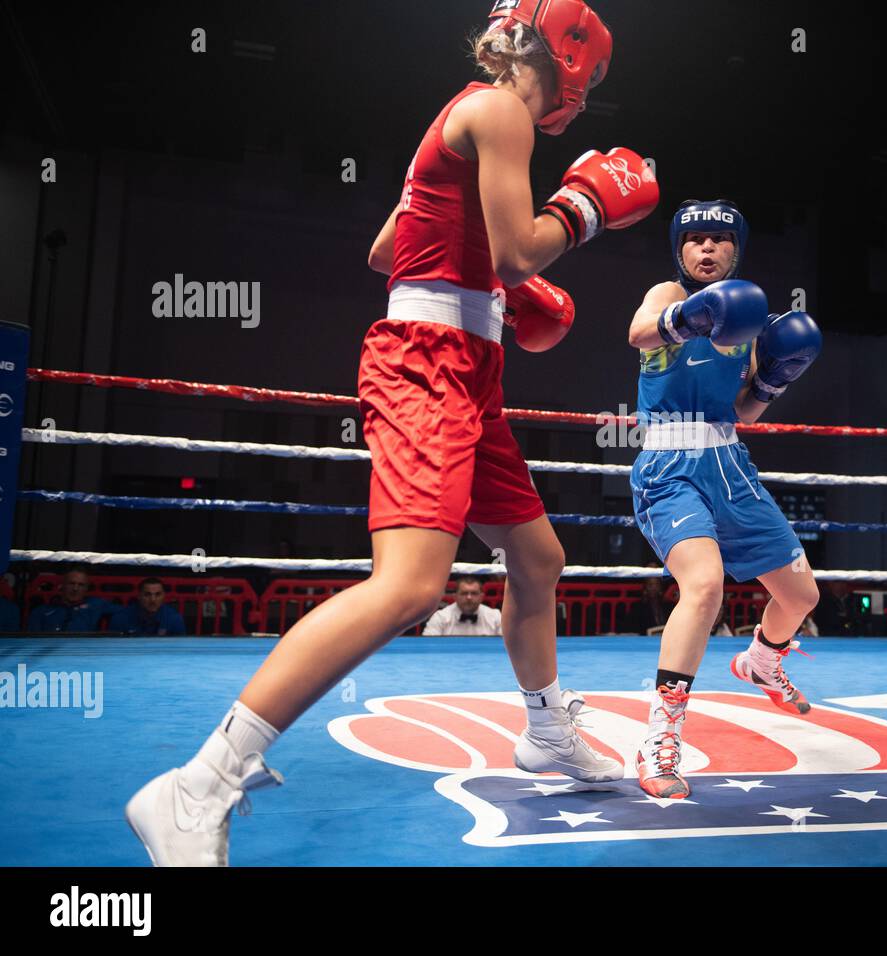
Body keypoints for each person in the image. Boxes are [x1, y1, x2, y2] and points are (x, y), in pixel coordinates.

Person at [127, 0, 658, 866]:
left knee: (537, 560)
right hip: (428, 363)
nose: (585, 101)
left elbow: (387, 250)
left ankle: (546, 733)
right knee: (412, 585)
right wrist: (584, 209)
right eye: (589, 80)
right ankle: (197, 786)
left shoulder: (465, 113)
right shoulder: (500, 112)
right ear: (564, 59)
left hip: (465, 366)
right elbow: (523, 251)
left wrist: (493, 276)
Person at [626, 199, 823, 798]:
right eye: (696, 241)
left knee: (801, 595)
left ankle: (763, 659)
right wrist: (690, 318)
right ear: (680, 252)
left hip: (730, 462)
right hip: (668, 465)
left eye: (719, 240)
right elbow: (638, 334)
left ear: (737, 250)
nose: (706, 249)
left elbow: (743, 410)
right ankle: (660, 738)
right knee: (704, 586)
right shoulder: (665, 294)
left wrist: (773, 379)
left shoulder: (752, 327)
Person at [26, 566, 115, 633]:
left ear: (87, 588)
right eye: (71, 583)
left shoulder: (96, 605)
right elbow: (31, 640)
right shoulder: (41, 611)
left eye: (81, 585)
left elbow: (124, 613)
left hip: (82, 654)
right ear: (62, 585)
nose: (75, 588)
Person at [422, 575, 503, 635]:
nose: (469, 597)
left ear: (481, 596)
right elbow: (428, 647)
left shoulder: (495, 617)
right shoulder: (440, 617)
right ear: (455, 596)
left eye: (474, 593)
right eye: (464, 593)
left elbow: (505, 648)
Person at [109, 578, 187, 636]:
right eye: (147, 594)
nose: (153, 600)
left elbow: (179, 649)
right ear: (139, 596)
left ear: (164, 596)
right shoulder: (120, 618)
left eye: (157, 594)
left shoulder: (174, 618)